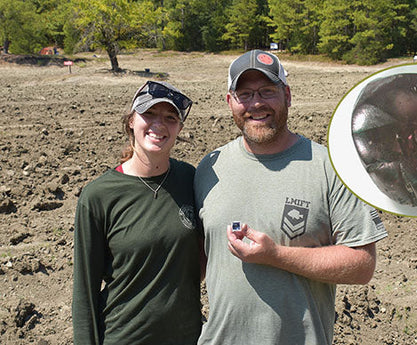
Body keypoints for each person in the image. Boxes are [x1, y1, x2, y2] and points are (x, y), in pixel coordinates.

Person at [194, 49, 388, 345]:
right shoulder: (210, 167)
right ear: (230, 101)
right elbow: (199, 259)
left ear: (287, 94)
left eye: (267, 91)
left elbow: (362, 264)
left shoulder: (331, 167)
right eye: (244, 94)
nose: (256, 103)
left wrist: (276, 256)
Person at [72, 81, 202, 344]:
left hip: (187, 336)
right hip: (125, 336)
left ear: (180, 127)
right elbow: (85, 290)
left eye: (170, 117)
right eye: (149, 114)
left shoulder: (191, 179)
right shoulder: (99, 196)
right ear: (131, 121)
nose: (159, 124)